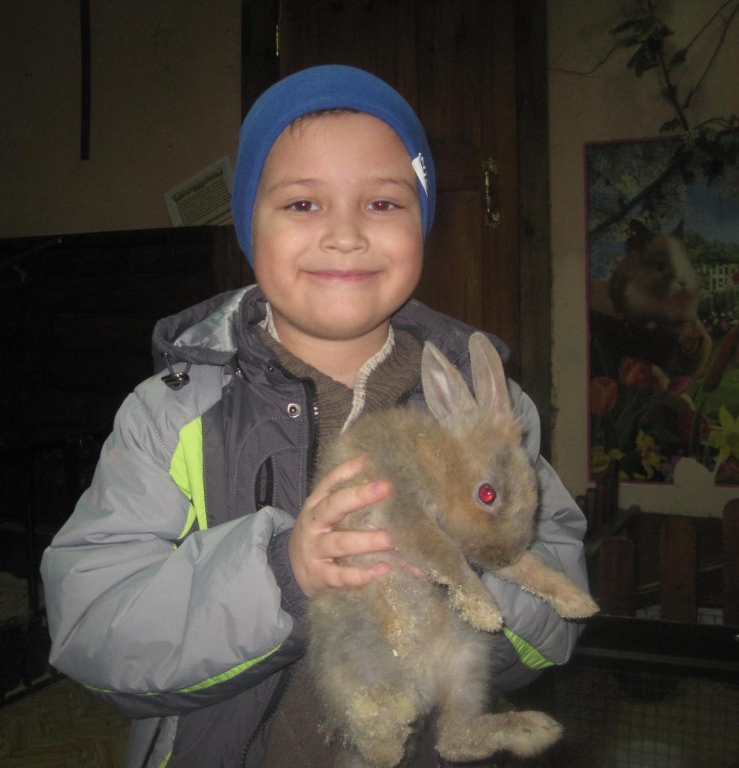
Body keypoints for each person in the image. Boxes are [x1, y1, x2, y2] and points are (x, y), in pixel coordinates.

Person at [40, 64, 590, 768]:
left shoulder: (490, 414)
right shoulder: (171, 415)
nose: (345, 234)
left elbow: (551, 629)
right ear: (250, 226)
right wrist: (281, 575)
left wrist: (472, 561)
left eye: (383, 203)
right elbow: (92, 630)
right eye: (303, 204)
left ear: (422, 224)